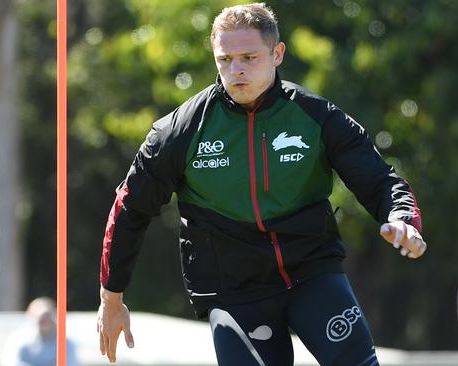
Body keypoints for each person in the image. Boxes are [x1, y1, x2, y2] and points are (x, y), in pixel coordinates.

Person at [96, 3, 426, 365]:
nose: (236, 70)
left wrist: (401, 217)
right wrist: (111, 299)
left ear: (277, 53)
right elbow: (130, 208)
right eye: (225, 60)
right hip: (233, 291)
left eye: (249, 57)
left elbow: (379, 179)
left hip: (312, 273)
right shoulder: (178, 132)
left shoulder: (315, 116)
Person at [0, 297, 79, 366]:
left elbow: (70, 363)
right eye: (39, 320)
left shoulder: (65, 342)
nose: (43, 323)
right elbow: (10, 363)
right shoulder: (17, 339)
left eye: (47, 318)